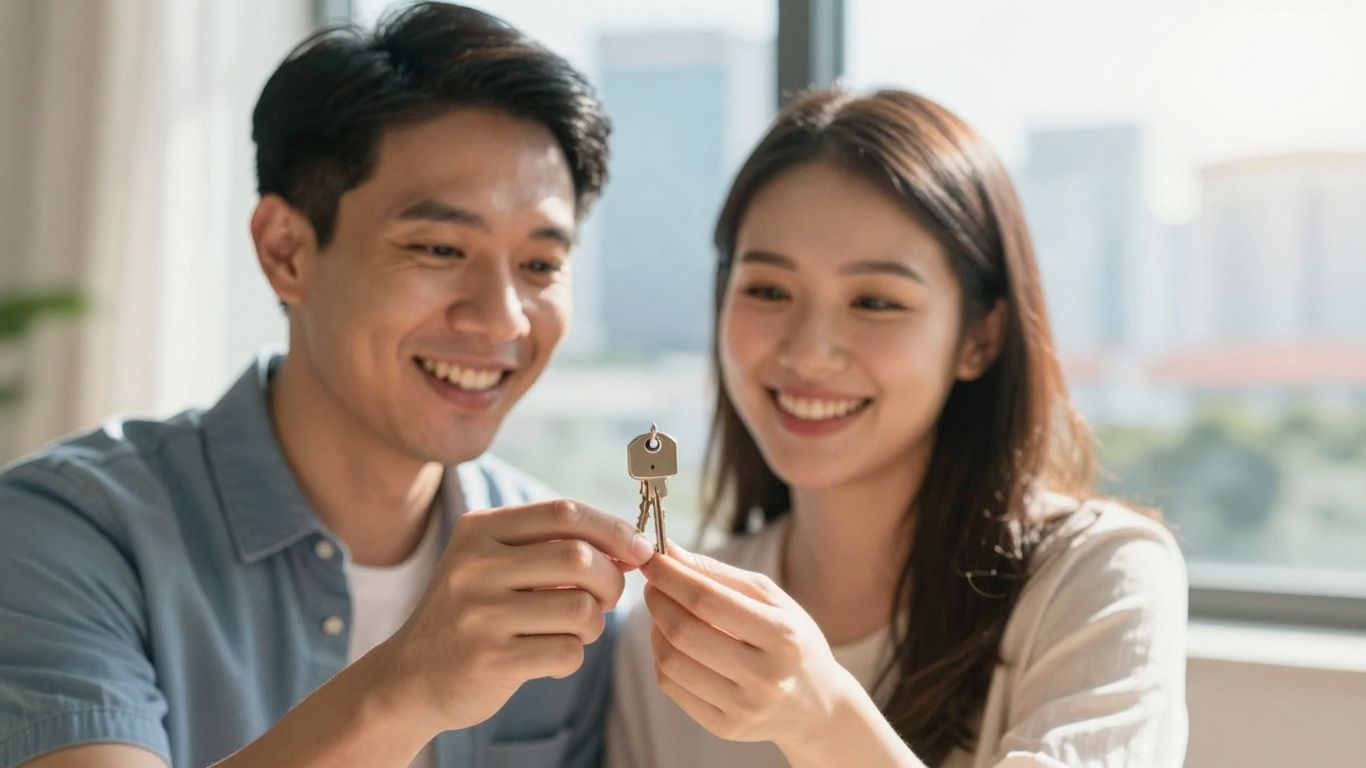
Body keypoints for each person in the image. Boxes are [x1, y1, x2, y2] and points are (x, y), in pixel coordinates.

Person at [0, 4, 658, 767]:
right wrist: (406, 690)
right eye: (441, 248)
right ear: (287, 251)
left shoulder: (570, 591)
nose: (501, 318)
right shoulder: (65, 535)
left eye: (540, 264)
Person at [608, 87, 1188, 767]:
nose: (808, 352)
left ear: (979, 336)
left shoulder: (1099, 578)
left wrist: (823, 721)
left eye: (875, 301)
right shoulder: (666, 626)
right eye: (767, 290)